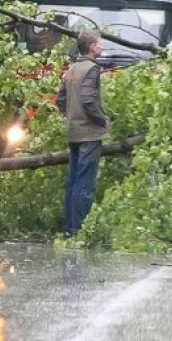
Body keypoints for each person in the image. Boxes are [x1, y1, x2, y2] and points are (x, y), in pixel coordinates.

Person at [57, 30, 111, 236]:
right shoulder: (91, 69)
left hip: (73, 132)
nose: (102, 47)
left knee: (72, 182)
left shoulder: (72, 69)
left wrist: (72, 115)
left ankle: (69, 229)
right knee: (84, 184)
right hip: (89, 134)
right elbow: (88, 100)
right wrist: (102, 120)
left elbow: (61, 100)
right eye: (99, 43)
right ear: (91, 47)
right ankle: (80, 231)